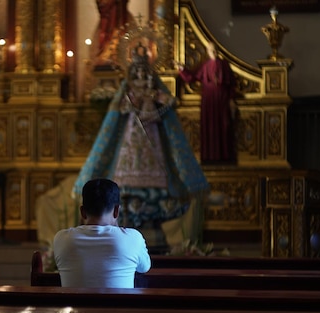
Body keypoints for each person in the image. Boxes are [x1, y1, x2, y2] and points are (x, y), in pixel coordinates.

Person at [73, 41, 209, 236]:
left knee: (153, 158)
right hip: (132, 134)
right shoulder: (129, 91)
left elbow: (171, 101)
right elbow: (118, 109)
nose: (141, 76)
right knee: (129, 157)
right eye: (138, 72)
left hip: (152, 133)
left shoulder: (152, 90)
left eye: (145, 73)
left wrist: (159, 106)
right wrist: (129, 105)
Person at [54, 178, 151, 288]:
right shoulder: (133, 238)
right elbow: (144, 267)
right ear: (116, 211)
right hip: (121, 305)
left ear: (82, 212)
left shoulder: (61, 239)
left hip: (74, 306)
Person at [176, 42, 237, 164]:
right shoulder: (205, 66)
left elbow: (231, 85)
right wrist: (181, 69)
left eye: (214, 49)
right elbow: (191, 78)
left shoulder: (224, 65)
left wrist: (231, 100)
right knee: (209, 127)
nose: (213, 52)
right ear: (207, 52)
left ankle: (224, 157)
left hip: (222, 100)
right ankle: (209, 157)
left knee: (223, 127)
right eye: (210, 50)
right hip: (209, 101)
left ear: (217, 50)